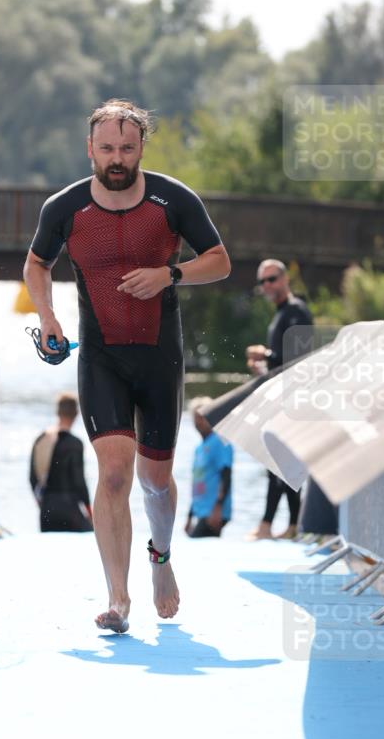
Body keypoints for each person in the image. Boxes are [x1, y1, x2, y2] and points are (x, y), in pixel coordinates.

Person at [24, 99, 231, 633]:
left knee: (155, 482)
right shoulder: (65, 208)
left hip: (160, 358)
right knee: (114, 474)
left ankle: (160, 557)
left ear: (141, 147)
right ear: (90, 148)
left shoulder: (172, 200)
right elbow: (37, 263)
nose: (117, 158)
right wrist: (48, 317)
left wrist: (170, 275)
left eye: (127, 148)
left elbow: (220, 260)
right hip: (101, 357)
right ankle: (118, 598)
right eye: (108, 148)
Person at [245, 259, 313, 541]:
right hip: (281, 398)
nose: (267, 286)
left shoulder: (296, 311)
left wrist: (267, 355)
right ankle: (293, 524)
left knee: (278, 461)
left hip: (294, 401)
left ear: (285, 280)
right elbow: (282, 364)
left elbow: (299, 359)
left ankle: (268, 525)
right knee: (281, 463)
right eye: (262, 282)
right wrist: (263, 367)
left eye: (272, 279)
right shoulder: (281, 314)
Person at [30, 392, 93, 533]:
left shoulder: (41, 439)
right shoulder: (75, 444)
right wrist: (90, 511)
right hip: (70, 509)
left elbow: (32, 478)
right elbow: (79, 482)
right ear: (76, 414)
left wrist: (43, 503)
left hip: (47, 510)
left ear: (57, 412)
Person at [185, 397, 233, 538]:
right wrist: (190, 516)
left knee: (197, 543)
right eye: (196, 417)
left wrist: (218, 507)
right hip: (201, 510)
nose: (199, 422)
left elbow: (226, 474)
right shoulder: (199, 448)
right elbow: (197, 481)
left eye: (203, 417)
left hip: (214, 511)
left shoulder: (220, 441)